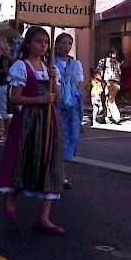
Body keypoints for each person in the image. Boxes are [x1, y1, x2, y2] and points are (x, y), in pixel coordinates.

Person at [0, 26, 65, 235]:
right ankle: (12, 195)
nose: (43, 45)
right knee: (27, 159)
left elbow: (57, 99)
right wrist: (39, 100)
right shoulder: (21, 67)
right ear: (28, 44)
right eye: (38, 41)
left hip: (50, 120)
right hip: (30, 120)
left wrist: (53, 80)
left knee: (50, 162)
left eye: (45, 42)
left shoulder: (50, 67)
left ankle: (44, 218)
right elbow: (14, 98)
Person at [54, 33, 84, 189]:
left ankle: (61, 174)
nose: (66, 46)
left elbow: (80, 83)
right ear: (57, 44)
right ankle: (51, 172)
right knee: (54, 138)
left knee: (66, 139)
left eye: (69, 44)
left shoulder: (76, 64)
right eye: (63, 43)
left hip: (71, 107)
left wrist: (75, 97)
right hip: (55, 105)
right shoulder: (50, 62)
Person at [97, 48, 122, 124]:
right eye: (114, 54)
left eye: (116, 55)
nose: (115, 56)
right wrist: (102, 81)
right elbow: (98, 71)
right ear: (110, 54)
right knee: (105, 100)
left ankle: (115, 116)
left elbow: (119, 74)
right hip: (105, 82)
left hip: (114, 83)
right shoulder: (104, 61)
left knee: (111, 100)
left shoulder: (117, 63)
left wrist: (118, 84)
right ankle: (107, 116)